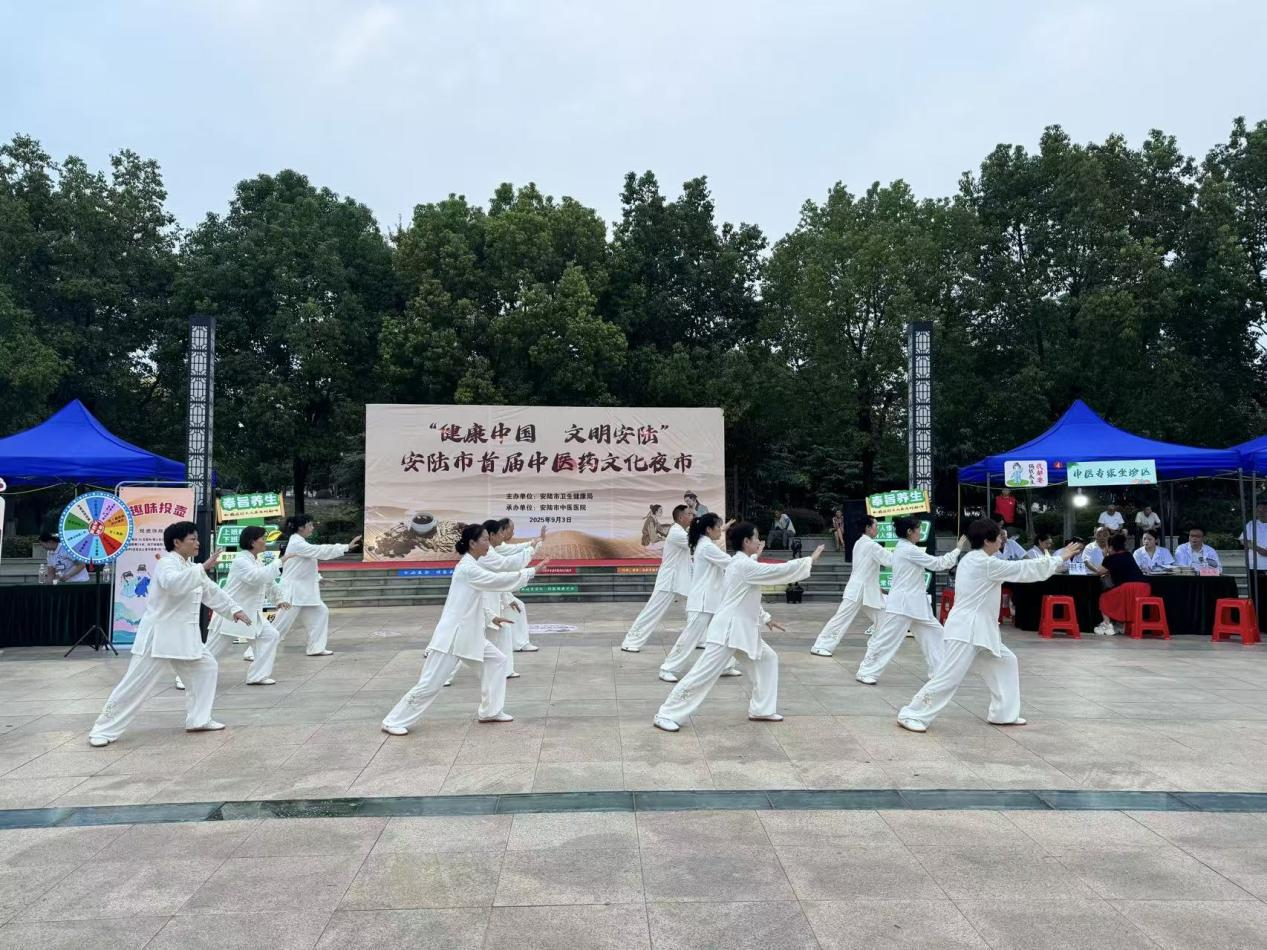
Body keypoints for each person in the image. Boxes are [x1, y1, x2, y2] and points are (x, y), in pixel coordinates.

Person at [896, 520, 1081, 734]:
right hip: (967, 630)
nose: (1003, 540)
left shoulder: (975, 559)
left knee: (1006, 662)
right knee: (948, 676)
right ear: (987, 540)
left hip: (979, 630)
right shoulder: (984, 563)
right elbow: (1022, 569)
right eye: (999, 537)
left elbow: (1019, 568)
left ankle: (1003, 714)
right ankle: (912, 714)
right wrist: (1059, 558)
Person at [87, 522, 250, 747]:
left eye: (197, 539)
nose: (197, 543)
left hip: (184, 637)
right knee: (135, 684)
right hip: (159, 637)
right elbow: (173, 585)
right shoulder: (166, 563)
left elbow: (211, 591)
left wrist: (234, 609)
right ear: (177, 542)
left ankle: (199, 719)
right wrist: (202, 567)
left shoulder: (190, 567)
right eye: (192, 539)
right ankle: (103, 729)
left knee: (206, 668)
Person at [652, 523, 824, 732]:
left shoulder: (742, 564)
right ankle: (666, 714)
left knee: (768, 660)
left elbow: (746, 596)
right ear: (746, 541)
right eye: (756, 537)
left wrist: (766, 618)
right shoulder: (743, 566)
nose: (759, 541)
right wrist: (808, 560)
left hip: (741, 630)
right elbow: (775, 571)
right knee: (702, 674)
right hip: (727, 631)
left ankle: (762, 709)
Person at [381, 524, 546, 736]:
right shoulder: (468, 569)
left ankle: (490, 711)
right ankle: (393, 720)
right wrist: (532, 571)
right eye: (484, 540)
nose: (488, 544)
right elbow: (497, 581)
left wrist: (491, 616)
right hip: (452, 637)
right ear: (472, 543)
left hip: (469, 635)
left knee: (497, 661)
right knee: (430, 684)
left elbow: (473, 601)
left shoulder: (472, 566)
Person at [855, 518, 966, 685]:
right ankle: (866, 671)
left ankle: (939, 672)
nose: (920, 532)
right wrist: (957, 550)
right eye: (918, 529)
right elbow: (937, 564)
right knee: (887, 640)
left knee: (936, 634)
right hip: (902, 605)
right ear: (909, 532)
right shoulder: (908, 550)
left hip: (915, 605)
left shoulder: (905, 548)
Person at [658, 513, 741, 682]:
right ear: (709, 529)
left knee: (723, 633)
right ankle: (667, 668)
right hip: (702, 601)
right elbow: (732, 563)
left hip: (712, 599)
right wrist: (753, 558)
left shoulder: (706, 544)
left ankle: (725, 665)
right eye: (718, 527)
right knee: (690, 637)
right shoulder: (707, 547)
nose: (720, 530)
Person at [202, 526, 288, 684]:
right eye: (263, 538)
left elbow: (267, 581)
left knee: (270, 636)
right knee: (211, 651)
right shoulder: (241, 561)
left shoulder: (256, 560)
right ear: (253, 542)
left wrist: (279, 599)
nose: (265, 541)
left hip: (249, 613)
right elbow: (256, 577)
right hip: (231, 613)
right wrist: (280, 561)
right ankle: (185, 679)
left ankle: (257, 676)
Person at [272, 515, 361, 656]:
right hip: (293, 593)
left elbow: (303, 567)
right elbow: (320, 551)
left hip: (304, 592)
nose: (312, 528)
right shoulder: (297, 543)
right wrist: (345, 547)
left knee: (320, 613)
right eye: (310, 525)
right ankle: (255, 651)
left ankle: (316, 648)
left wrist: (319, 578)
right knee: (280, 624)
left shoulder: (300, 542)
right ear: (301, 527)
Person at [810, 516, 891, 657]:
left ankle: (876, 646)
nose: (877, 529)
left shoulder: (860, 543)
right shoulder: (871, 545)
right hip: (858, 590)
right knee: (842, 618)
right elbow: (890, 560)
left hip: (866, 590)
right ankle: (820, 646)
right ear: (868, 528)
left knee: (884, 617)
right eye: (876, 526)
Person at [621, 505, 694, 652]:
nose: (691, 516)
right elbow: (695, 543)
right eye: (689, 514)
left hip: (682, 579)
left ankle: (700, 638)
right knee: (653, 610)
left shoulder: (680, 531)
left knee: (693, 609)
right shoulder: (676, 533)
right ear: (681, 517)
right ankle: (631, 641)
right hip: (669, 580)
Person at [492, 518, 547, 653]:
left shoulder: (496, 547)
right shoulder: (496, 548)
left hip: (498, 587)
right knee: (515, 609)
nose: (513, 533)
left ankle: (518, 643)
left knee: (516, 608)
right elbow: (515, 557)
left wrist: (536, 542)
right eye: (511, 530)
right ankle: (519, 644)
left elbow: (516, 550)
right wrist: (535, 567)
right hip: (494, 589)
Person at [1092, 534, 1149, 636]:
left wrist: (1105, 556)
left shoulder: (1110, 558)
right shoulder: (1128, 555)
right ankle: (1120, 625)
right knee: (1119, 599)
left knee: (1104, 597)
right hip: (1144, 587)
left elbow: (1099, 571)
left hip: (1128, 587)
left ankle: (1107, 624)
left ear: (1111, 547)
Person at [1240, 502, 1267, 630]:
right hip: (1254, 565)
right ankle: (1257, 623)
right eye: (1258, 510)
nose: (1261, 513)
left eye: (1264, 510)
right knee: (1256, 596)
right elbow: (1244, 540)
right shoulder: (1251, 524)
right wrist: (1259, 549)